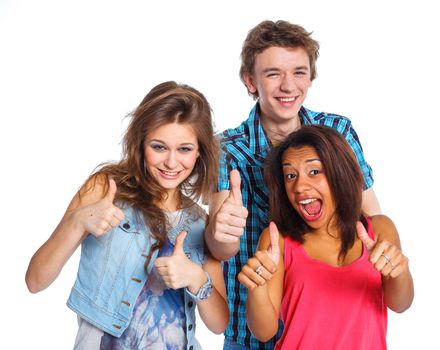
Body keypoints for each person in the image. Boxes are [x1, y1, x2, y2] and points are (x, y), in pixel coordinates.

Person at [205, 20, 382, 349]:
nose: (288, 86)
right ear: (251, 81)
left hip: (331, 330)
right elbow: (219, 249)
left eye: (299, 72)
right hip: (253, 334)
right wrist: (221, 231)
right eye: (273, 73)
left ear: (310, 77)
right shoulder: (227, 149)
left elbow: (371, 218)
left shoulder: (339, 132)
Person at [25, 81, 229, 350]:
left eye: (184, 149)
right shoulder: (104, 190)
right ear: (141, 143)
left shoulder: (199, 222)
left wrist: (196, 278)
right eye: (159, 147)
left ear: (199, 152)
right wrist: (77, 223)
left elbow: (219, 324)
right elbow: (35, 281)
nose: (171, 162)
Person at [238, 125, 414, 349]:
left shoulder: (380, 229)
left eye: (314, 172)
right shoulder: (276, 241)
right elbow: (264, 332)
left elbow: (401, 304)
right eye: (290, 175)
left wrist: (400, 272)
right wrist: (257, 287)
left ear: (339, 173)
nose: (300, 186)